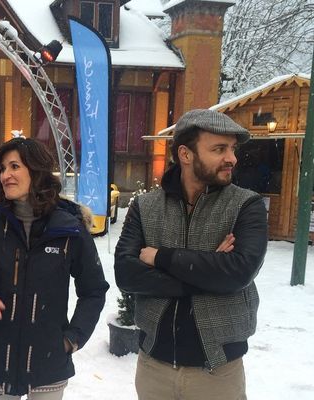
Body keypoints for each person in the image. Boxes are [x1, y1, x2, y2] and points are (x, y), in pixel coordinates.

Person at [114, 109, 268, 400]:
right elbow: (126, 273)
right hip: (153, 368)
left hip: (219, 371)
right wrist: (207, 273)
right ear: (185, 154)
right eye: (219, 149)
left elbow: (238, 272)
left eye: (232, 149)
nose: (232, 158)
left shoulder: (247, 205)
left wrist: (161, 258)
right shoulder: (145, 206)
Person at [0, 137, 109, 399]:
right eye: (3, 168)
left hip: (48, 366)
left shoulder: (69, 230)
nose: (6, 175)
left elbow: (94, 290)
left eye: (14, 166)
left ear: (37, 171)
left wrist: (72, 338)